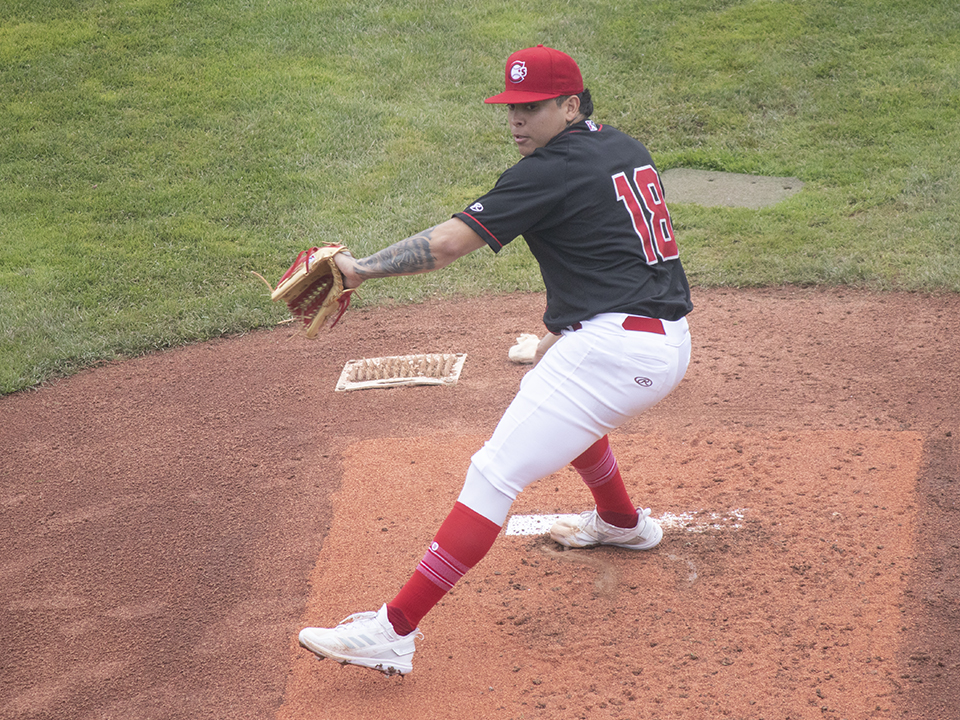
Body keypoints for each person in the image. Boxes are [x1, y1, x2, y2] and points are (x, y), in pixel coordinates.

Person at [297, 44, 693, 677]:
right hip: (659, 339)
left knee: (493, 474)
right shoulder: (621, 146)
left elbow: (449, 244)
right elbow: (609, 247)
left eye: (531, 108)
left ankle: (393, 632)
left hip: (617, 349)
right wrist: (565, 331)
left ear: (569, 105)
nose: (516, 122)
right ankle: (622, 522)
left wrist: (360, 269)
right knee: (555, 392)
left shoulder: (546, 171)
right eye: (510, 108)